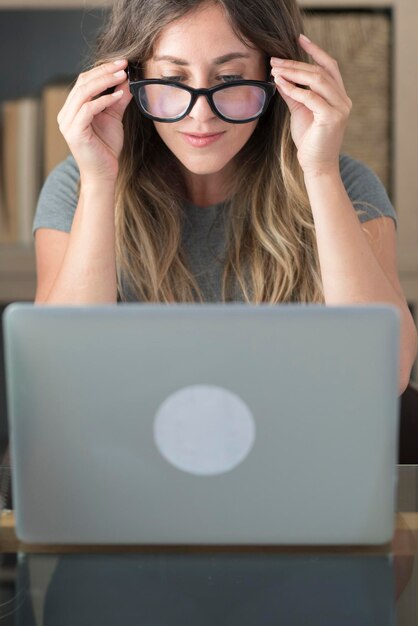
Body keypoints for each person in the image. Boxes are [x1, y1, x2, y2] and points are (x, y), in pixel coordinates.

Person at [33, 0, 417, 392]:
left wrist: (320, 172)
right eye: (172, 79)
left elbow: (386, 375)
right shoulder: (77, 187)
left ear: (277, 78)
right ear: (128, 80)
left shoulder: (345, 186)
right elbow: (62, 375)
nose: (200, 114)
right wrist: (98, 182)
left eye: (231, 79)